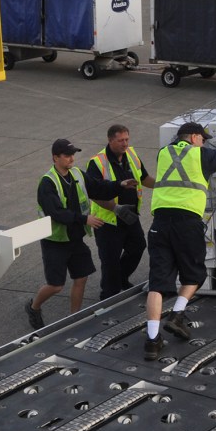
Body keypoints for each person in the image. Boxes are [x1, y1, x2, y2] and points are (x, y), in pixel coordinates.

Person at [144, 120, 216, 361]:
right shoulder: (201, 156)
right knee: (195, 274)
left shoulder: (163, 153)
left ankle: (152, 341)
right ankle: (177, 315)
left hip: (159, 223)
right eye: (202, 138)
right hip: (187, 222)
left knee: (157, 283)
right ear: (192, 137)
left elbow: (177, 152)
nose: (203, 142)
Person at [25, 139, 138, 331]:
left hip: (75, 238)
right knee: (55, 286)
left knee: (81, 277)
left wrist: (120, 185)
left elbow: (98, 187)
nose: (72, 158)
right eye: (67, 155)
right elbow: (57, 212)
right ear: (55, 157)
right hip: (56, 241)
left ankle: (74, 318)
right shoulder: (48, 183)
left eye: (73, 154)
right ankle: (33, 307)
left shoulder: (76, 174)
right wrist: (85, 220)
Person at [85, 124, 156, 301]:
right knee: (110, 262)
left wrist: (165, 185)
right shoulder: (97, 162)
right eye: (120, 140)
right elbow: (93, 193)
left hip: (130, 216)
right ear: (110, 141)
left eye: (127, 139)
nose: (125, 144)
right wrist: (116, 208)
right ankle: (108, 298)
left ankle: (121, 279)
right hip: (108, 221)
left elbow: (144, 178)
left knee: (138, 247)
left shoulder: (131, 154)